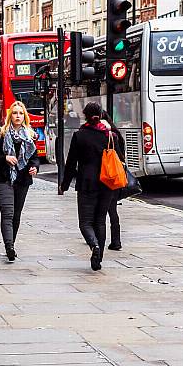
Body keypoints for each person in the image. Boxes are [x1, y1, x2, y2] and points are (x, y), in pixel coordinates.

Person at [61, 102, 124, 271]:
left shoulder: (80, 135)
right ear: (101, 115)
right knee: (100, 221)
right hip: (107, 183)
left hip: (86, 183)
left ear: (84, 115)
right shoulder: (110, 136)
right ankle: (99, 257)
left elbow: (71, 163)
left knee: (85, 223)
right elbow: (119, 157)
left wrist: (64, 185)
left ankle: (94, 246)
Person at [0, 101, 39, 262]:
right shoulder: (1, 133)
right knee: (7, 213)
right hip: (3, 178)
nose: (18, 116)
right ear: (11, 116)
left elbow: (34, 158)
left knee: (16, 214)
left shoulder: (30, 135)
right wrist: (5, 158)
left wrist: (34, 167)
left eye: (21, 113)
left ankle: (12, 244)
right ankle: (9, 246)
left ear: (25, 116)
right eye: (15, 113)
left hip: (22, 179)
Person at [101, 110, 126, 251]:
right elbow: (122, 156)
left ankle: (96, 238)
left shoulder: (103, 136)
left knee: (100, 211)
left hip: (104, 176)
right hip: (115, 175)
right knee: (113, 210)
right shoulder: (117, 135)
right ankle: (116, 241)